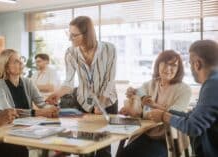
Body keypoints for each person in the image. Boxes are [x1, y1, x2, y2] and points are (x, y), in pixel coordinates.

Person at [45, 16, 118, 157]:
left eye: (74, 35)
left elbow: (110, 80)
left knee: (103, 147)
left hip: (107, 102)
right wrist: (57, 94)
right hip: (83, 103)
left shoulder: (109, 49)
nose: (70, 38)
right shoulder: (71, 52)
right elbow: (69, 82)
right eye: (69, 34)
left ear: (87, 34)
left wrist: (101, 103)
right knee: (84, 146)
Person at [148, 40, 218, 157]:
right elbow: (193, 116)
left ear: (197, 64)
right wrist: (166, 112)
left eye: (190, 63)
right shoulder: (214, 81)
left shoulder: (213, 84)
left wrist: (163, 116)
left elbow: (193, 126)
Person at [118, 50, 191, 157]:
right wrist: (131, 99)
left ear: (178, 69)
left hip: (167, 139)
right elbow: (139, 100)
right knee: (123, 154)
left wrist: (155, 105)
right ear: (158, 65)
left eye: (173, 65)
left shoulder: (184, 90)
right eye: (165, 64)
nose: (168, 69)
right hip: (146, 134)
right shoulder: (150, 84)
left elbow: (176, 114)